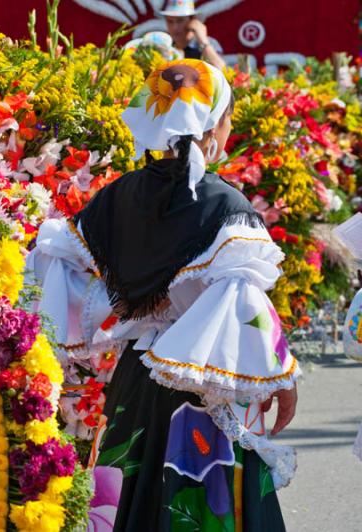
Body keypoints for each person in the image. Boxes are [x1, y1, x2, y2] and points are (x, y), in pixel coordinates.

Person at [26, 59, 299, 530]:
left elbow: (63, 268)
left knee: (131, 498)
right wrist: (279, 374)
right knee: (199, 501)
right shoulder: (224, 205)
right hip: (206, 382)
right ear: (211, 123)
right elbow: (242, 303)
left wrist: (122, 314)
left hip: (134, 379)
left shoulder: (117, 196)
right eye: (227, 116)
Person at [161, 0, 226, 70]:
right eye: (170, 21)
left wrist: (203, 42)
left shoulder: (210, 43)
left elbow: (222, 70)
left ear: (192, 20)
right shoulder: (163, 46)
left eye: (180, 21)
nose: (175, 27)